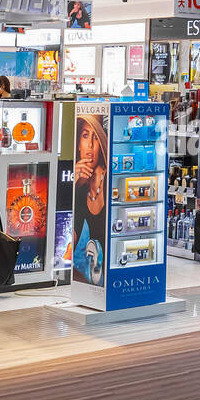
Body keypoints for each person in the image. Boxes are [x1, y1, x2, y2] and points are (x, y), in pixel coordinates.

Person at [71, 113, 109, 285]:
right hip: (95, 280)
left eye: (96, 137)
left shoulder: (109, 179)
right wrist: (73, 183)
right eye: (85, 136)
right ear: (78, 143)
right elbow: (67, 248)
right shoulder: (80, 190)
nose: (90, 146)